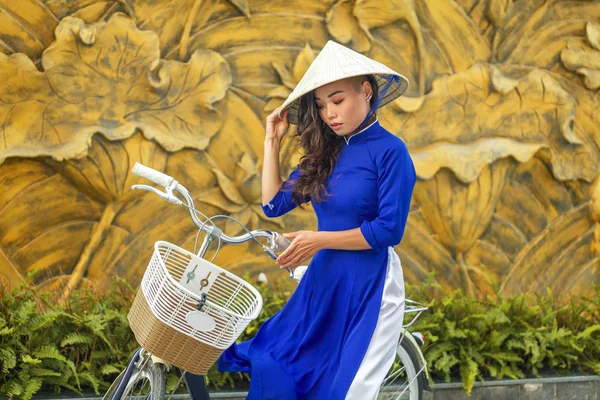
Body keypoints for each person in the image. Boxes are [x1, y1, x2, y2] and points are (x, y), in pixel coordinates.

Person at [218, 40, 416, 400]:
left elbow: (388, 230)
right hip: (326, 280)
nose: (329, 114)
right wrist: (271, 142)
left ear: (366, 91)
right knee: (277, 361)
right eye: (322, 105)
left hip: (368, 283)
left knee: (344, 388)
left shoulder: (391, 152)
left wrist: (318, 240)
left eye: (337, 101)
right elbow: (273, 206)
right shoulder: (328, 153)